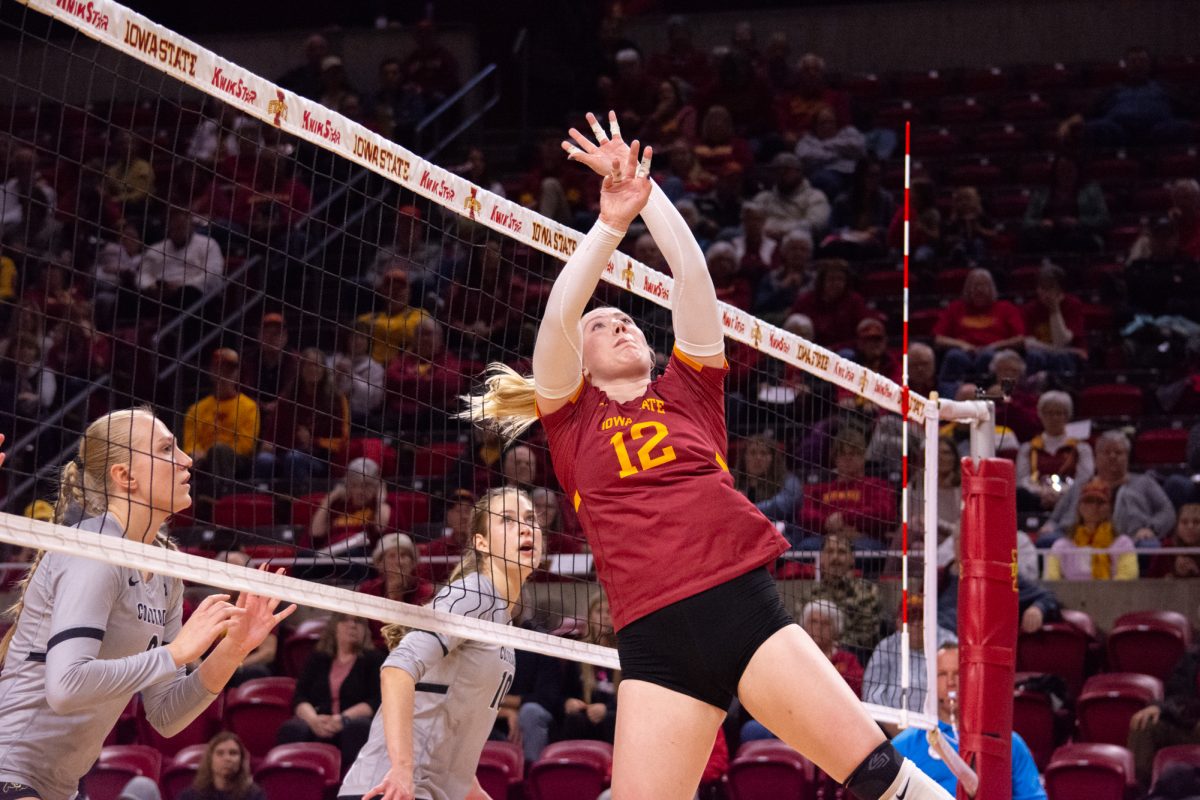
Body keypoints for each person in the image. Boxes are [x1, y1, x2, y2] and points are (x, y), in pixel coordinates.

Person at [458, 112, 950, 800]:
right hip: (655, 647)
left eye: (627, 318)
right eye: (603, 325)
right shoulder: (570, 421)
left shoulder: (689, 391)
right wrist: (605, 228)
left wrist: (644, 194)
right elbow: (559, 317)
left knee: (876, 776)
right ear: (580, 360)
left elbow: (693, 282)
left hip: (738, 607)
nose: (622, 323)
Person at [0, 410, 291, 800]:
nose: (187, 460)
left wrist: (233, 648)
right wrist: (175, 653)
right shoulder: (97, 551)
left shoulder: (165, 571)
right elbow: (66, 687)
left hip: (61, 785)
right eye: (167, 450)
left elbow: (166, 714)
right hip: (10, 769)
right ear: (125, 476)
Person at [337, 487, 541, 800]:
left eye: (530, 519)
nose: (526, 528)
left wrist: (472, 790)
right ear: (480, 542)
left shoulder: (500, 618)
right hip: (392, 789)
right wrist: (403, 769)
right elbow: (396, 670)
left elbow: (450, 723)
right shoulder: (475, 593)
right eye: (507, 520)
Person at [892, 644, 1046, 800]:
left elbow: (1033, 797)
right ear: (930, 681)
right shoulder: (903, 746)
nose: (951, 682)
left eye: (958, 673)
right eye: (942, 674)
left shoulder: (1008, 744)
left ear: (973, 679)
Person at [740, 599, 865, 743]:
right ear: (804, 626)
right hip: (792, 720)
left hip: (831, 722)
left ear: (836, 629)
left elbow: (855, 694)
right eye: (814, 622)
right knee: (752, 729)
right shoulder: (790, 655)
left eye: (825, 623)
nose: (818, 628)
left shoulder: (847, 660)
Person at [1039, 430, 1175, 547]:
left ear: (1127, 457)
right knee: (1047, 541)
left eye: (1118, 452)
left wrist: (1151, 529)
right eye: (1106, 452)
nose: (1112, 456)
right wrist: (1050, 526)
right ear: (1096, 457)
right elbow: (1055, 517)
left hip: (1130, 542)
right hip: (1077, 542)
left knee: (1149, 546)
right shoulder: (1080, 485)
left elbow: (1167, 511)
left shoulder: (1144, 483)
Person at [279, 613, 382, 767]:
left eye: (358, 622)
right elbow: (300, 696)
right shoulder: (318, 658)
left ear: (365, 631)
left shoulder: (374, 659)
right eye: (345, 620)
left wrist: (344, 718)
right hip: (320, 719)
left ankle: (352, 783)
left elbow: (376, 700)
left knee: (358, 728)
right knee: (292, 728)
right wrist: (312, 719)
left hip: (353, 720)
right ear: (334, 626)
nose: (352, 625)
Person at [255, 347, 349, 494]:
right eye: (308, 364)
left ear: (324, 370)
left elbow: (342, 441)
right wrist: (267, 444)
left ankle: (297, 504)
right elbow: (271, 435)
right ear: (300, 369)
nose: (313, 369)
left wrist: (313, 441)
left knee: (295, 457)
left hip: (320, 459)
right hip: (284, 453)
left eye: (317, 365)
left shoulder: (336, 400)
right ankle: (261, 505)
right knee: (264, 459)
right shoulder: (288, 398)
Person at [862, 594, 957, 734]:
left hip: (943, 729)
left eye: (921, 618)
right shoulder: (886, 647)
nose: (917, 624)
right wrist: (903, 736)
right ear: (898, 623)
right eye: (910, 620)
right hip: (893, 731)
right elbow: (872, 696)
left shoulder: (950, 643)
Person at [183, 348, 260, 508]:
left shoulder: (249, 406)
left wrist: (213, 450)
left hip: (237, 460)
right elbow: (190, 443)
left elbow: (246, 446)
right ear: (212, 372)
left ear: (237, 374)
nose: (224, 375)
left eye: (229, 371)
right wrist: (196, 452)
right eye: (220, 370)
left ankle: (222, 501)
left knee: (219, 450)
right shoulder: (196, 409)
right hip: (203, 461)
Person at [1128, 632, 1200, 787]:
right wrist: (1159, 707)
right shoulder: (1193, 657)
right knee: (1145, 725)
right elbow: (1175, 694)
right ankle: (1147, 791)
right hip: (1193, 725)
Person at [1044, 479, 1139, 580]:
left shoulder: (1123, 544)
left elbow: (1127, 581)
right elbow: (1052, 581)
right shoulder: (1062, 546)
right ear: (1079, 507)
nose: (1094, 506)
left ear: (1110, 508)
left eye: (1100, 502)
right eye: (1089, 501)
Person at [807, 533, 883, 659]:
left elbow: (867, 636)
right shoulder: (810, 594)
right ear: (822, 558)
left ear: (852, 559)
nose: (835, 558)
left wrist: (832, 648)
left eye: (841, 552)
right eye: (830, 551)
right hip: (814, 657)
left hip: (853, 658)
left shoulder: (868, 592)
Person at [1016, 391, 1094, 512]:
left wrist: (1060, 494)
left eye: (1059, 413)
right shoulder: (1028, 448)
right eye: (1049, 413)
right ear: (1040, 415)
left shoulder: (1081, 448)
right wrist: (1043, 493)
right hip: (1036, 500)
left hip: (1070, 502)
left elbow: (1084, 480)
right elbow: (1022, 480)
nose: (1054, 418)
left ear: (1067, 416)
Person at [358, 533, 435, 645]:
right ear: (380, 564)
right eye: (392, 556)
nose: (398, 562)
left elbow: (414, 633)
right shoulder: (367, 590)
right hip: (374, 652)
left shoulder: (425, 592)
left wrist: (396, 595)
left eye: (403, 556)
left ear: (413, 562)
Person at [309, 457, 392, 555]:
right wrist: (329, 500)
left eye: (367, 485)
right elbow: (316, 533)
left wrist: (380, 500)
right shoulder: (338, 505)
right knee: (303, 556)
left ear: (377, 487)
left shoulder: (381, 507)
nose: (360, 491)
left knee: (351, 554)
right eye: (354, 485)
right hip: (331, 554)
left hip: (361, 556)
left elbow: (380, 528)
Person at [734, 432, 802, 523]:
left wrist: (745, 509)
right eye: (752, 453)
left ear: (773, 459)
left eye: (764, 453)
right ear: (744, 457)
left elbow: (780, 507)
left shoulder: (789, 481)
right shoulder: (733, 481)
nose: (758, 458)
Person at [178, 732, 266, 800]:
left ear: (241, 760)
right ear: (210, 760)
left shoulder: (254, 795)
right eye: (220, 753)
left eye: (233, 753)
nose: (227, 758)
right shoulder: (191, 796)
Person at [1148, 503, 1200, 578]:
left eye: (1196, 522)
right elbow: (1151, 579)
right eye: (1184, 522)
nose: (1190, 527)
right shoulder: (1167, 547)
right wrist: (1174, 573)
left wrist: (1196, 572)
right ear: (1176, 526)